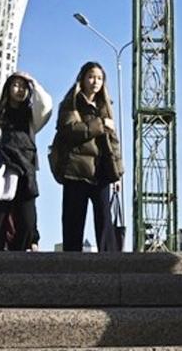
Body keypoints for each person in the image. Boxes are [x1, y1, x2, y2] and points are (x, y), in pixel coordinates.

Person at [51, 61, 123, 252]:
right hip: (76, 171)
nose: (95, 82)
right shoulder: (70, 104)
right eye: (91, 77)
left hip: (101, 170)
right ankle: (72, 264)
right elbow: (70, 130)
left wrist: (118, 174)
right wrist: (100, 125)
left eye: (99, 78)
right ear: (82, 79)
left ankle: (109, 263)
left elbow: (113, 142)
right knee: (73, 221)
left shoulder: (105, 106)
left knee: (105, 221)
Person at [0, 71, 52, 251]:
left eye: (23, 87)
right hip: (3, 170)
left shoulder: (30, 116)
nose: (19, 90)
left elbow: (46, 106)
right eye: (16, 85)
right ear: (8, 88)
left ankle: (18, 256)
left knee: (27, 222)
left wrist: (33, 81)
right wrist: (5, 145)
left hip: (26, 171)